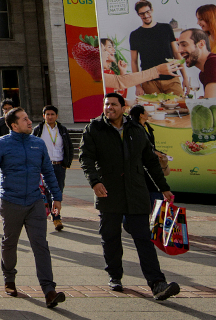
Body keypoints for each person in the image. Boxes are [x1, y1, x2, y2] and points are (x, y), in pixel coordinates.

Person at [80, 93, 179, 301]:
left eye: (114, 104)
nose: (109, 108)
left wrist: (164, 187)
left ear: (123, 107)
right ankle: (115, 275)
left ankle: (157, 283)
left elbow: (150, 161)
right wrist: (95, 182)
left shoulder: (136, 129)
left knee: (144, 239)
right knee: (111, 238)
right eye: (106, 104)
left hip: (136, 192)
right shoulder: (94, 129)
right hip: (109, 193)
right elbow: (86, 158)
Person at [0, 107, 66, 309]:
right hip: (11, 202)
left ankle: (49, 291)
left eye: (28, 118)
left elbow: (48, 173)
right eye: (24, 119)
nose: (30, 121)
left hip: (35, 203)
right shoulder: (1, 144)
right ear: (14, 125)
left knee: (41, 245)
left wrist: (56, 196)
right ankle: (9, 279)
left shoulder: (38, 144)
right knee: (10, 242)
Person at [129, 0, 182, 95]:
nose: (145, 16)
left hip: (171, 79)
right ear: (138, 15)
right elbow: (134, 61)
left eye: (147, 12)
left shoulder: (166, 28)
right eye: (142, 14)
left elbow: (176, 53)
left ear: (152, 10)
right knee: (153, 109)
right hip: (149, 82)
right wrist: (137, 86)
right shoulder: (135, 35)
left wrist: (185, 78)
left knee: (179, 107)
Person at [34, 105, 73, 231]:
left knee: (58, 191)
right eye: (47, 114)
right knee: (46, 191)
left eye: (52, 114)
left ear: (56, 116)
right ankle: (56, 218)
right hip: (44, 166)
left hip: (59, 165)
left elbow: (69, 146)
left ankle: (55, 215)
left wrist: (67, 162)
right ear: (43, 116)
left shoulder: (62, 129)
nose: (50, 117)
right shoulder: (38, 130)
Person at [102, 37, 181, 92]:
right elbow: (120, 82)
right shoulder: (99, 74)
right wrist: (157, 70)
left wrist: (122, 72)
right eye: (105, 49)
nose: (113, 50)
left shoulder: (109, 72)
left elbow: (120, 90)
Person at [129, 105, 167, 210]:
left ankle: (155, 212)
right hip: (142, 166)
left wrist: (158, 153)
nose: (147, 113)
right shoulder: (135, 129)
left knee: (154, 188)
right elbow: (140, 148)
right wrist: (153, 152)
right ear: (141, 115)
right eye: (145, 111)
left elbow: (151, 146)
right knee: (153, 189)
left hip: (151, 163)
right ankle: (156, 212)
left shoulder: (147, 127)